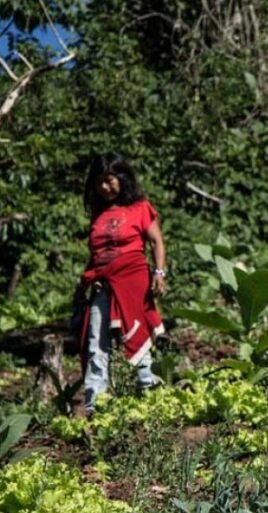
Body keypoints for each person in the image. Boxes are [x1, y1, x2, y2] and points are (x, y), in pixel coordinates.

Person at [76, 153, 166, 414]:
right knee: (96, 342)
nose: (104, 187)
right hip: (102, 284)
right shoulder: (98, 213)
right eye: (99, 182)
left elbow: (157, 241)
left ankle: (147, 392)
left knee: (138, 334)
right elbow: (97, 253)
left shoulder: (140, 207)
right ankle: (95, 404)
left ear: (122, 179)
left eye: (109, 180)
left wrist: (160, 272)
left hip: (133, 282)